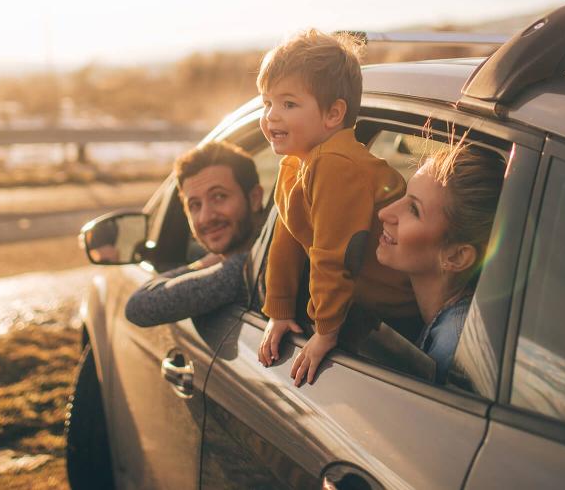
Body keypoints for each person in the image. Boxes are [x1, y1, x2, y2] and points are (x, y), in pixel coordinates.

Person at [255, 29, 416, 386]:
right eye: (267, 103)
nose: (272, 117)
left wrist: (325, 331)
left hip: (398, 314)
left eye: (288, 104)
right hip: (366, 307)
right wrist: (279, 311)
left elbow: (334, 255)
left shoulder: (335, 164)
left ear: (333, 114)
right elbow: (287, 241)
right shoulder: (297, 163)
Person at [375, 142, 505, 382]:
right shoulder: (457, 323)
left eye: (414, 209)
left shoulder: (451, 349)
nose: (385, 213)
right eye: (404, 196)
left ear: (456, 257)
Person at [125, 141, 264, 327]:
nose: (206, 217)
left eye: (219, 196)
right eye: (195, 205)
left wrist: (208, 263)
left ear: (255, 198)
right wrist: (214, 260)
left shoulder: (251, 268)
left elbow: (139, 306)